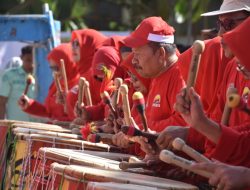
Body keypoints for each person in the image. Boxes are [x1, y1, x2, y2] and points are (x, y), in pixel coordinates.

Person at [157, 0, 250, 154]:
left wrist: (199, 127)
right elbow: (221, 126)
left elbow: (244, 142)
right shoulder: (232, 67)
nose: (220, 34)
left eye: (229, 24)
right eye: (219, 24)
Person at [18, 43, 79, 122]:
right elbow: (48, 112)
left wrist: (57, 120)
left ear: (68, 64)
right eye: (52, 68)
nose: (54, 72)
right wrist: (29, 105)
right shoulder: (56, 84)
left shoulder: (79, 85)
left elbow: (80, 120)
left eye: (56, 68)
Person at [0, 45, 36, 121]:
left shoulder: (41, 76)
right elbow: (2, 101)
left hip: (37, 125)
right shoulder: (9, 75)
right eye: (28, 60)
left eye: (34, 61)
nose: (31, 64)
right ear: (21, 57)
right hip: (16, 125)